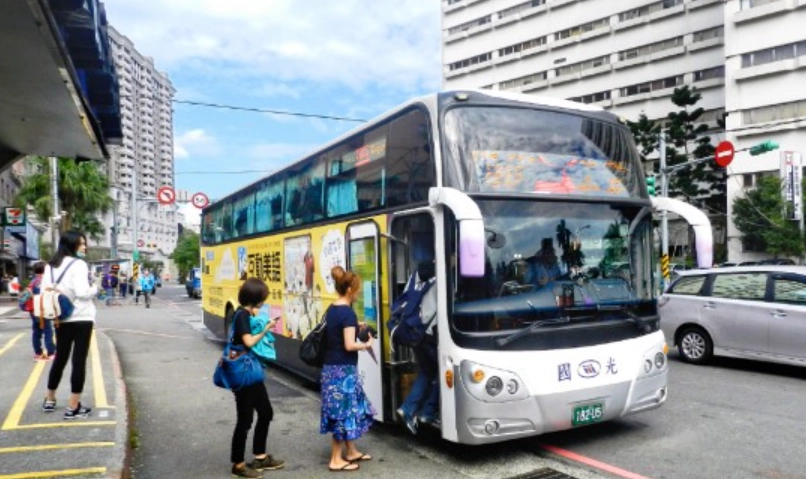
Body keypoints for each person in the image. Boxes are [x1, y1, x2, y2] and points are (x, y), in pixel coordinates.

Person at [320, 266, 375, 472]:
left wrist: (354, 326)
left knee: (347, 409)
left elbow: (336, 332)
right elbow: (349, 345)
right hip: (342, 370)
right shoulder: (348, 314)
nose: (360, 292)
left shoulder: (333, 309)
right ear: (351, 290)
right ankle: (336, 459)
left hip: (331, 368)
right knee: (342, 412)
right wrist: (367, 345)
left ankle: (351, 451)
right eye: (358, 288)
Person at [229, 278, 285, 478]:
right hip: (244, 374)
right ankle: (238, 464)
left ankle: (260, 457)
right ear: (255, 298)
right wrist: (266, 328)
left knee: (266, 412)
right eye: (263, 296)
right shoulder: (241, 315)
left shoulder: (246, 314)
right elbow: (249, 341)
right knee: (245, 419)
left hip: (251, 372)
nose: (265, 299)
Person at [41, 230, 98, 420]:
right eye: (81, 244)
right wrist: (95, 288)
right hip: (81, 317)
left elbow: (44, 290)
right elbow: (83, 292)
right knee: (78, 360)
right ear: (71, 245)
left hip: (60, 317)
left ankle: (50, 398)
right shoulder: (79, 264)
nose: (84, 247)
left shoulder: (50, 266)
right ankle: (73, 406)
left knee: (60, 358)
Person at [396, 262, 439, 435]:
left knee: (427, 372)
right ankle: (427, 412)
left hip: (415, 333)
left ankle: (407, 408)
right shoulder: (441, 278)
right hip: (431, 334)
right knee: (445, 373)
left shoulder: (415, 276)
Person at [28, 262, 55, 361]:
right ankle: (51, 353)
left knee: (36, 332)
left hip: (33, 310)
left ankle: (38, 353)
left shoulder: (33, 281)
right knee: (47, 331)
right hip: (42, 309)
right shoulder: (43, 281)